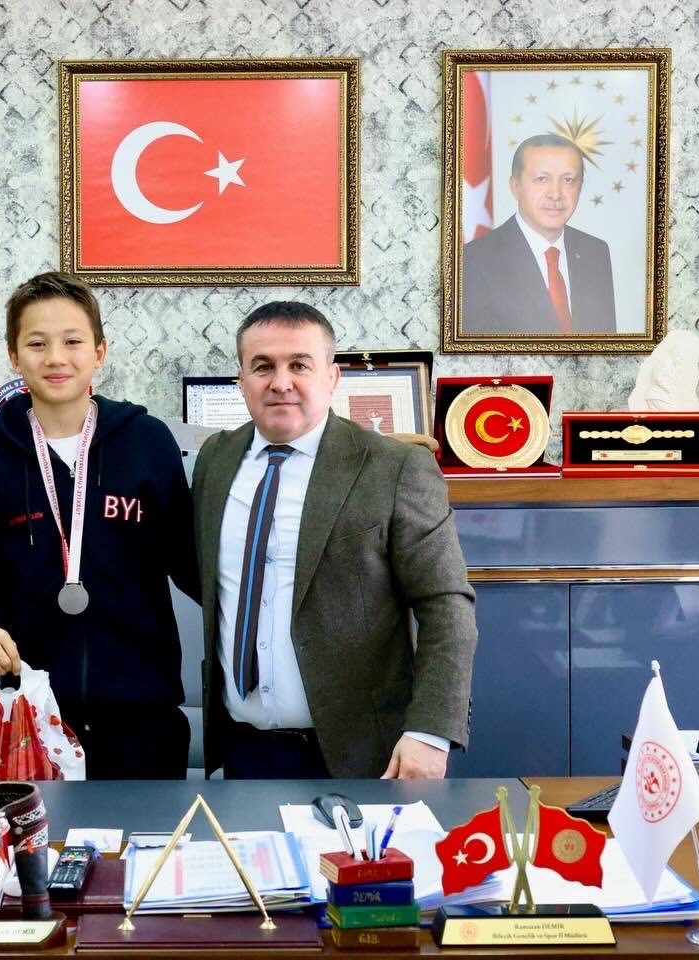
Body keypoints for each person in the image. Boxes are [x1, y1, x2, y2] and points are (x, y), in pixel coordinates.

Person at [192, 301, 477, 779]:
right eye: (262, 366)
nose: (280, 382)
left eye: (299, 365)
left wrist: (431, 731)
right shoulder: (215, 460)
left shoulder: (394, 468)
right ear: (241, 380)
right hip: (244, 751)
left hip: (363, 755)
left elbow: (446, 604)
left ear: (332, 377)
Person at [0, 272, 200, 779]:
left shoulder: (147, 442)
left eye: (72, 341)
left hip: (142, 713)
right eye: (37, 344)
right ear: (14, 356)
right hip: (29, 714)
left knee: (146, 834)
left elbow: (190, 563)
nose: (56, 358)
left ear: (99, 351)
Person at [462, 133, 616, 334]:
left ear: (580, 187)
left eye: (568, 180)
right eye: (542, 179)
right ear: (515, 187)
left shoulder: (595, 252)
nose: (555, 194)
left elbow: (605, 345)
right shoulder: (473, 261)